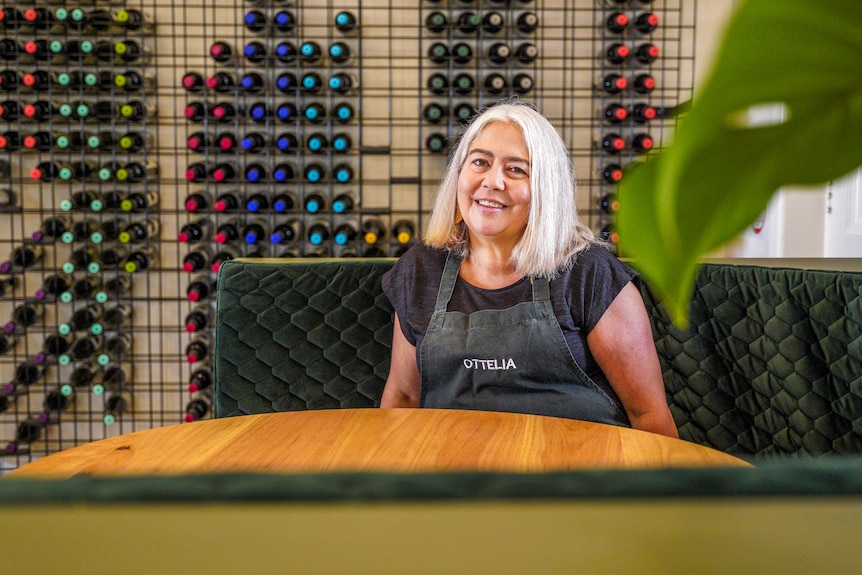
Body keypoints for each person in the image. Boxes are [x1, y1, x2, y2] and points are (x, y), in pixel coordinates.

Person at [380, 100, 678, 438]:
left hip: (577, 477)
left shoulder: (589, 274)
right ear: (459, 174)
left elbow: (649, 417)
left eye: (516, 169)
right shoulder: (420, 270)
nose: (492, 182)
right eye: (480, 162)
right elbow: (403, 398)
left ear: (545, 190)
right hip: (455, 477)